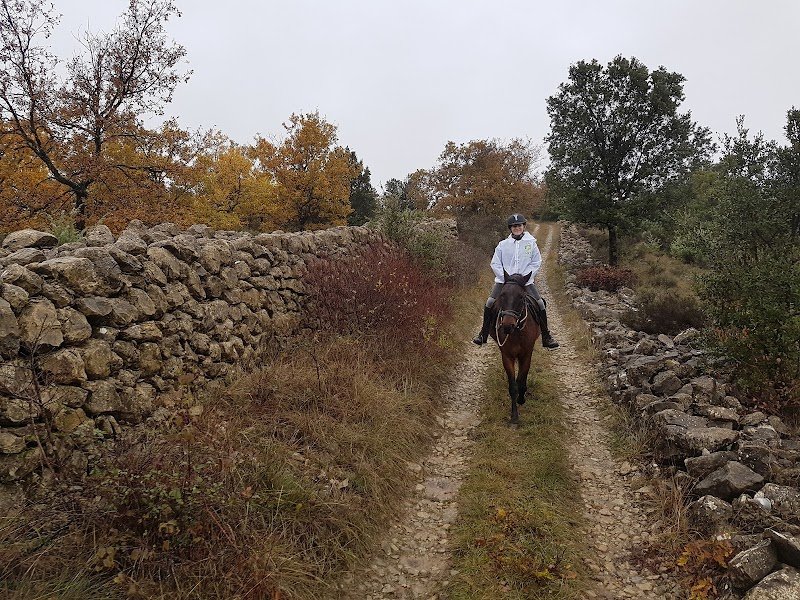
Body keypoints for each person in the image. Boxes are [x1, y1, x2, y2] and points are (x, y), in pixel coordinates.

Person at [472, 213, 559, 349]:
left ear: (523, 226)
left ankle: (546, 336)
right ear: (510, 228)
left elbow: (536, 262)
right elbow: (495, 263)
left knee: (540, 303)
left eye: (519, 226)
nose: (517, 228)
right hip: (504, 281)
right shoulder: (502, 245)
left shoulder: (531, 243)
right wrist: (505, 278)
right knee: (489, 303)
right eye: (514, 226)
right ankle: (483, 334)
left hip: (525, 282)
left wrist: (525, 277)